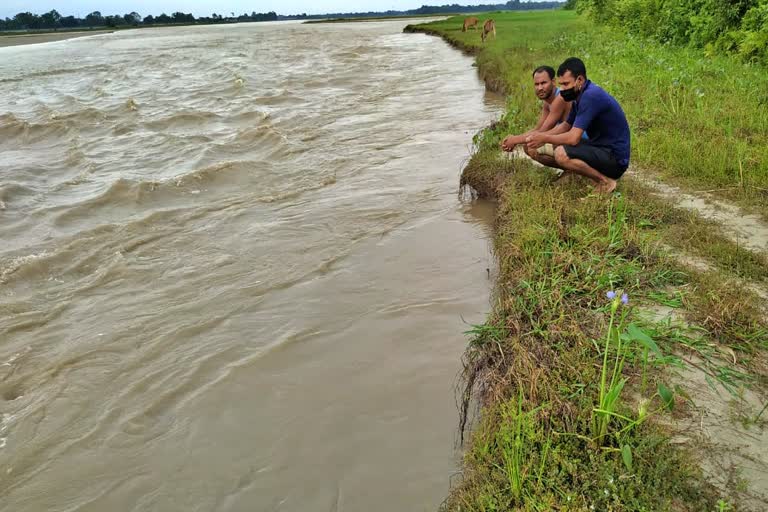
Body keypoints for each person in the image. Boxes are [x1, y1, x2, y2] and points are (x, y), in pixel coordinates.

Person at [524, 57, 631, 194]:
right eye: (561, 84)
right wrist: (539, 136)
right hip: (600, 147)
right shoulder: (578, 97)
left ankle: (605, 182)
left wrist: (544, 138)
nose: (562, 89)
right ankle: (581, 174)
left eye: (566, 84)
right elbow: (564, 127)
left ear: (579, 80)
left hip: (615, 159)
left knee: (561, 153)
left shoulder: (590, 97)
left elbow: (573, 138)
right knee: (557, 144)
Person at [500, 66, 570, 153]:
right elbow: (538, 129)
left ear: (553, 82)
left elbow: (543, 131)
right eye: (537, 84)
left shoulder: (561, 98)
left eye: (543, 83)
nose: (540, 88)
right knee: (529, 147)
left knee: (538, 146)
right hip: (569, 139)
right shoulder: (547, 103)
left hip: (582, 139)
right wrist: (514, 138)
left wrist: (515, 140)